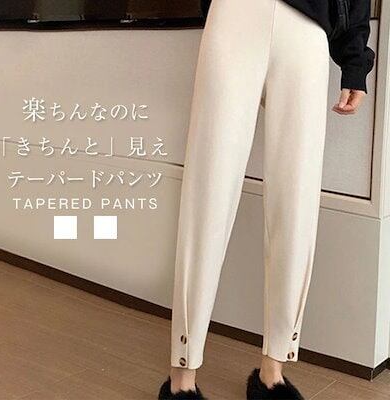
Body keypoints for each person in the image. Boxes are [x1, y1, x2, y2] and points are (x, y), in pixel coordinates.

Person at [158, 0, 375, 399]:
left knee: (296, 203)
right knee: (207, 196)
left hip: (308, 28)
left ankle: (272, 372)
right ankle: (182, 378)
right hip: (235, 15)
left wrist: (355, 61)